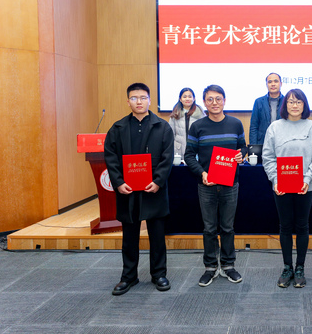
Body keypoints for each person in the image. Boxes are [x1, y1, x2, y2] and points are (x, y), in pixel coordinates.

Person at [104, 83, 174, 296]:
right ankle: (128, 276)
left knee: (157, 235)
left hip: (154, 189)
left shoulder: (162, 127)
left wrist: (158, 181)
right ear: (128, 102)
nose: (139, 102)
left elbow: (167, 157)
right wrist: (118, 182)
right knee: (129, 236)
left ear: (150, 100)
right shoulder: (118, 128)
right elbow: (110, 157)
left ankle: (159, 274)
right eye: (134, 98)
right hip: (128, 190)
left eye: (143, 98)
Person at [184, 84, 247, 287]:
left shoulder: (235, 124)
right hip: (207, 185)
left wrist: (241, 155)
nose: (214, 103)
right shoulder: (197, 126)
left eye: (218, 99)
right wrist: (202, 173)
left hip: (230, 184)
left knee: (228, 228)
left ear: (224, 101)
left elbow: (243, 147)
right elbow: (189, 155)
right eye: (210, 99)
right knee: (209, 228)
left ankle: (228, 265)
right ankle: (210, 267)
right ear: (204, 102)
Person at [262, 89, 312, 288]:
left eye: (298, 102)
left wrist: (307, 179)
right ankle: (287, 267)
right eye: (290, 102)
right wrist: (275, 180)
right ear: (285, 105)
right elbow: (268, 157)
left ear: (304, 104)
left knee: (302, 225)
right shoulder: (274, 127)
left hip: (306, 186)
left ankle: (300, 268)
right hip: (281, 186)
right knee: (285, 226)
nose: (294, 105)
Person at [168, 87, 205, 162]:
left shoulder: (200, 113)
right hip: (178, 151)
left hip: (196, 150)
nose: (187, 99)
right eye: (184, 97)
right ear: (180, 99)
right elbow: (170, 135)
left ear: (194, 98)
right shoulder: (175, 114)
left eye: (190, 96)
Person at [249, 72, 284, 145]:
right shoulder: (258, 102)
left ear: (281, 84)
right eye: (270, 82)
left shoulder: (287, 101)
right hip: (263, 142)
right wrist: (253, 147)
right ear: (266, 84)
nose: (273, 84)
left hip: (282, 142)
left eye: (276, 81)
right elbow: (254, 126)